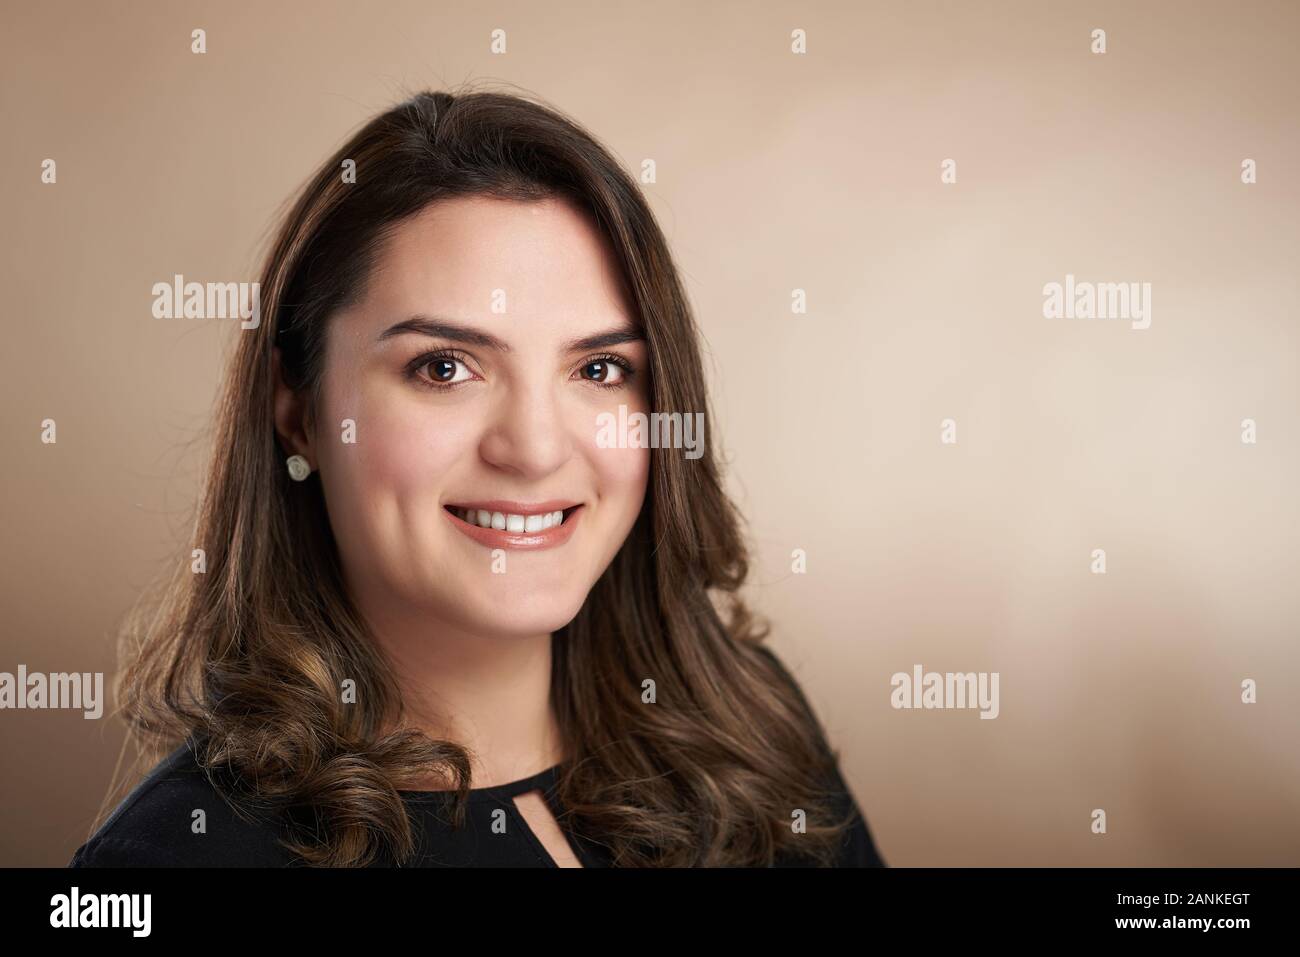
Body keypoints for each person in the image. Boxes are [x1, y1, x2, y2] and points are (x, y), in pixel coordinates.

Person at [69, 87, 885, 868]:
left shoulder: (749, 729)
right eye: (445, 366)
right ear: (298, 409)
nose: (533, 449)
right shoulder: (178, 857)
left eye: (600, 368)